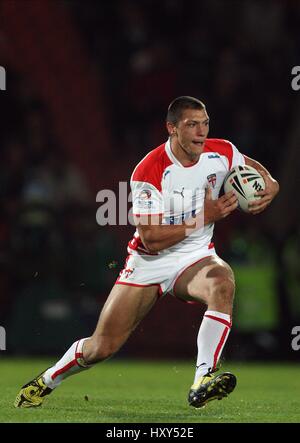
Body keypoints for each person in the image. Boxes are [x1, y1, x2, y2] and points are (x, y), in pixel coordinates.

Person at [14, 96, 279, 409]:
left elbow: (260, 173)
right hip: (149, 262)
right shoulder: (150, 170)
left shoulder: (221, 151)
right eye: (191, 124)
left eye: (204, 123)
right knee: (102, 347)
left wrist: (270, 187)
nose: (200, 132)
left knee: (222, 282)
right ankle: (47, 380)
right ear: (171, 128)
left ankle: (203, 379)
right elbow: (152, 239)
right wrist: (204, 216)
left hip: (196, 257)